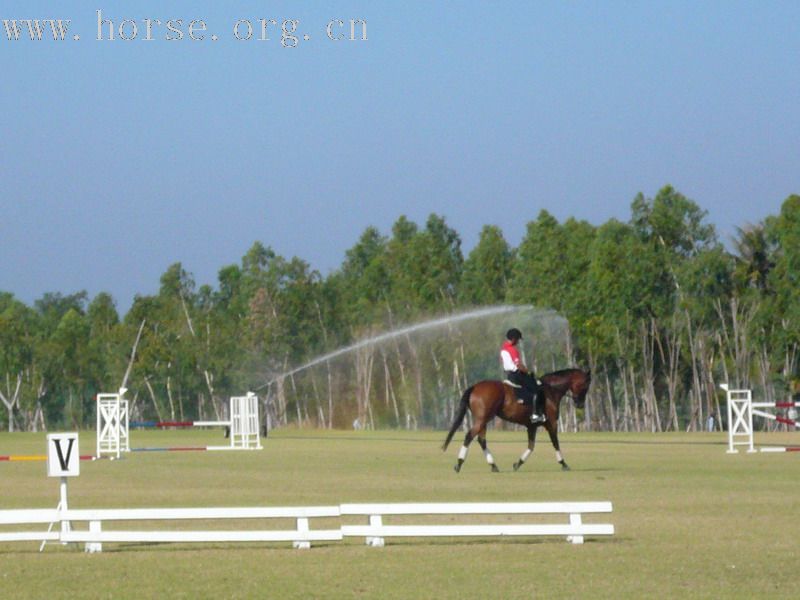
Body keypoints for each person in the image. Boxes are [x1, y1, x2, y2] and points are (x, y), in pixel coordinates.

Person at [500, 328, 545, 423]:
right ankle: (535, 414)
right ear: (513, 339)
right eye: (517, 339)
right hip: (517, 375)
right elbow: (518, 365)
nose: (518, 342)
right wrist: (528, 372)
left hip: (509, 375)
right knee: (537, 388)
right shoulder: (512, 350)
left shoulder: (504, 348)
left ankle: (523, 399)